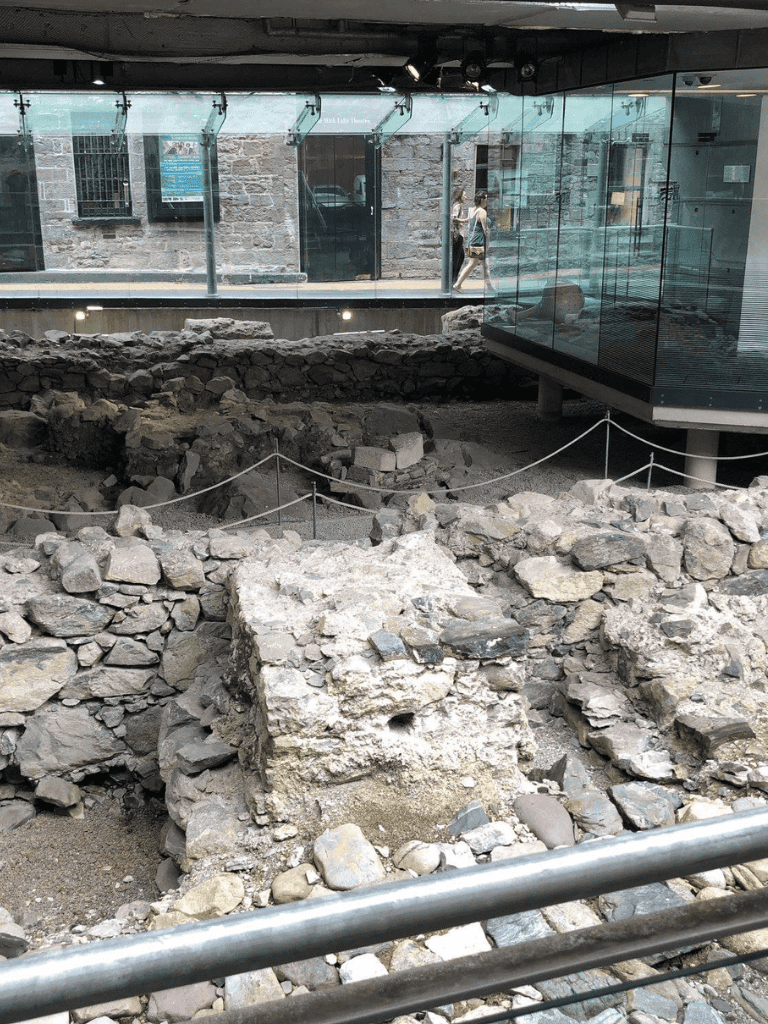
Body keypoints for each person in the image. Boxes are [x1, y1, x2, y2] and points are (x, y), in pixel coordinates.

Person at [454, 190, 494, 293]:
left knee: (485, 265)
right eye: (486, 198)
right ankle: (458, 284)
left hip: (472, 242)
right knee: (472, 264)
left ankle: (490, 286)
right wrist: (488, 243)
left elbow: (468, 220)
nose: (487, 201)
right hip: (479, 243)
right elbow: (485, 230)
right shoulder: (482, 212)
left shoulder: (472, 210)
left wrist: (458, 220)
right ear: (482, 200)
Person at [450, 187, 466, 285]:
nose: (466, 197)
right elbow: (454, 218)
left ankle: (453, 278)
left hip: (459, 234)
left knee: (459, 256)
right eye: (464, 195)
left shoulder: (459, 205)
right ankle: (453, 279)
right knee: (459, 257)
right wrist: (465, 220)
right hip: (457, 234)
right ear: (460, 196)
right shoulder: (458, 205)